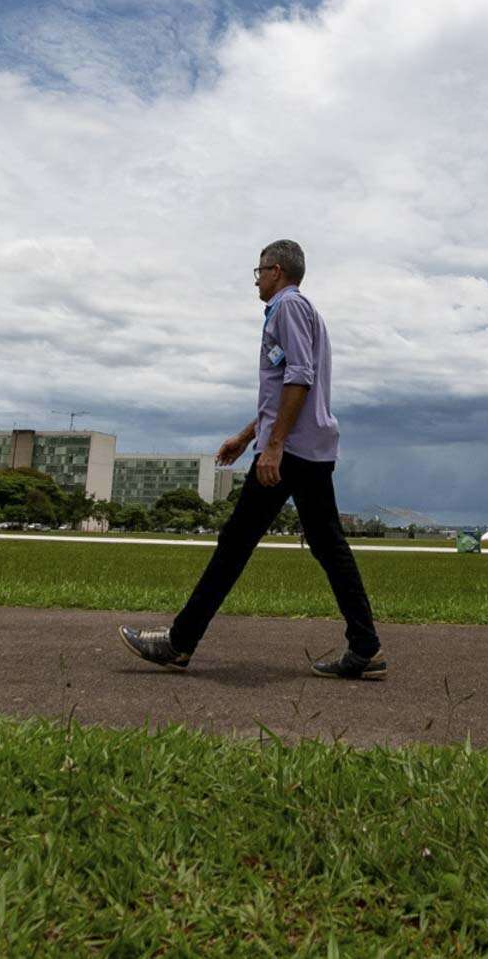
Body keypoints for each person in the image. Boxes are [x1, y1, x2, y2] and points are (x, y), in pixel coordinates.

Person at [119, 240, 387, 679]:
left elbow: (299, 376)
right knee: (327, 545)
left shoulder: (287, 308)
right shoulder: (297, 311)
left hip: (291, 452)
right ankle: (364, 647)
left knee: (235, 543)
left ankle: (179, 643)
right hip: (308, 449)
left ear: (276, 270)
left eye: (259, 271)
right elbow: (286, 383)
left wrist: (274, 445)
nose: (256, 280)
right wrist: (248, 437)